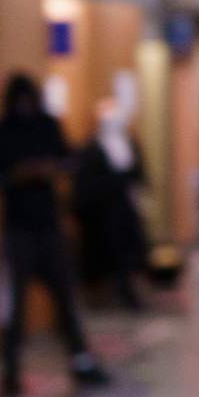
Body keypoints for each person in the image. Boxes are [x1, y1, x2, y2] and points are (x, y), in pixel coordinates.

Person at [0, 74, 109, 397]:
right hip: (17, 230)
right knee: (14, 306)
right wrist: (17, 175)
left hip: (48, 227)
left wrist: (51, 168)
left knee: (66, 301)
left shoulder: (47, 127)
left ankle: (81, 361)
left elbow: (69, 160)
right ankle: (10, 371)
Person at [73, 97, 149, 310]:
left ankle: (127, 291)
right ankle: (111, 292)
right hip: (103, 214)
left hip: (126, 210)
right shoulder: (92, 149)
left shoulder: (129, 145)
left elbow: (139, 174)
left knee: (128, 253)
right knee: (108, 254)